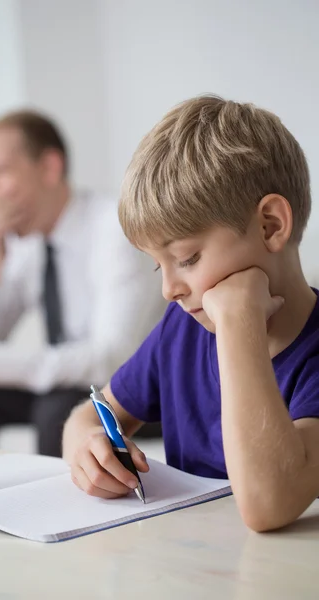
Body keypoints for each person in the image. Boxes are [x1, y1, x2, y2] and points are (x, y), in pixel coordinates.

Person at [63, 95, 319, 532]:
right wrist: (85, 445)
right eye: (157, 265)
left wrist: (239, 323)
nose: (169, 289)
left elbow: (267, 504)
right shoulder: (181, 330)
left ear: (271, 226)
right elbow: (89, 413)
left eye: (188, 258)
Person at [0, 110, 165, 456]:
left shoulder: (114, 229)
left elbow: (111, 359)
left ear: (50, 168)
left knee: (61, 410)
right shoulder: (25, 245)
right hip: (68, 385)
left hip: (136, 390)